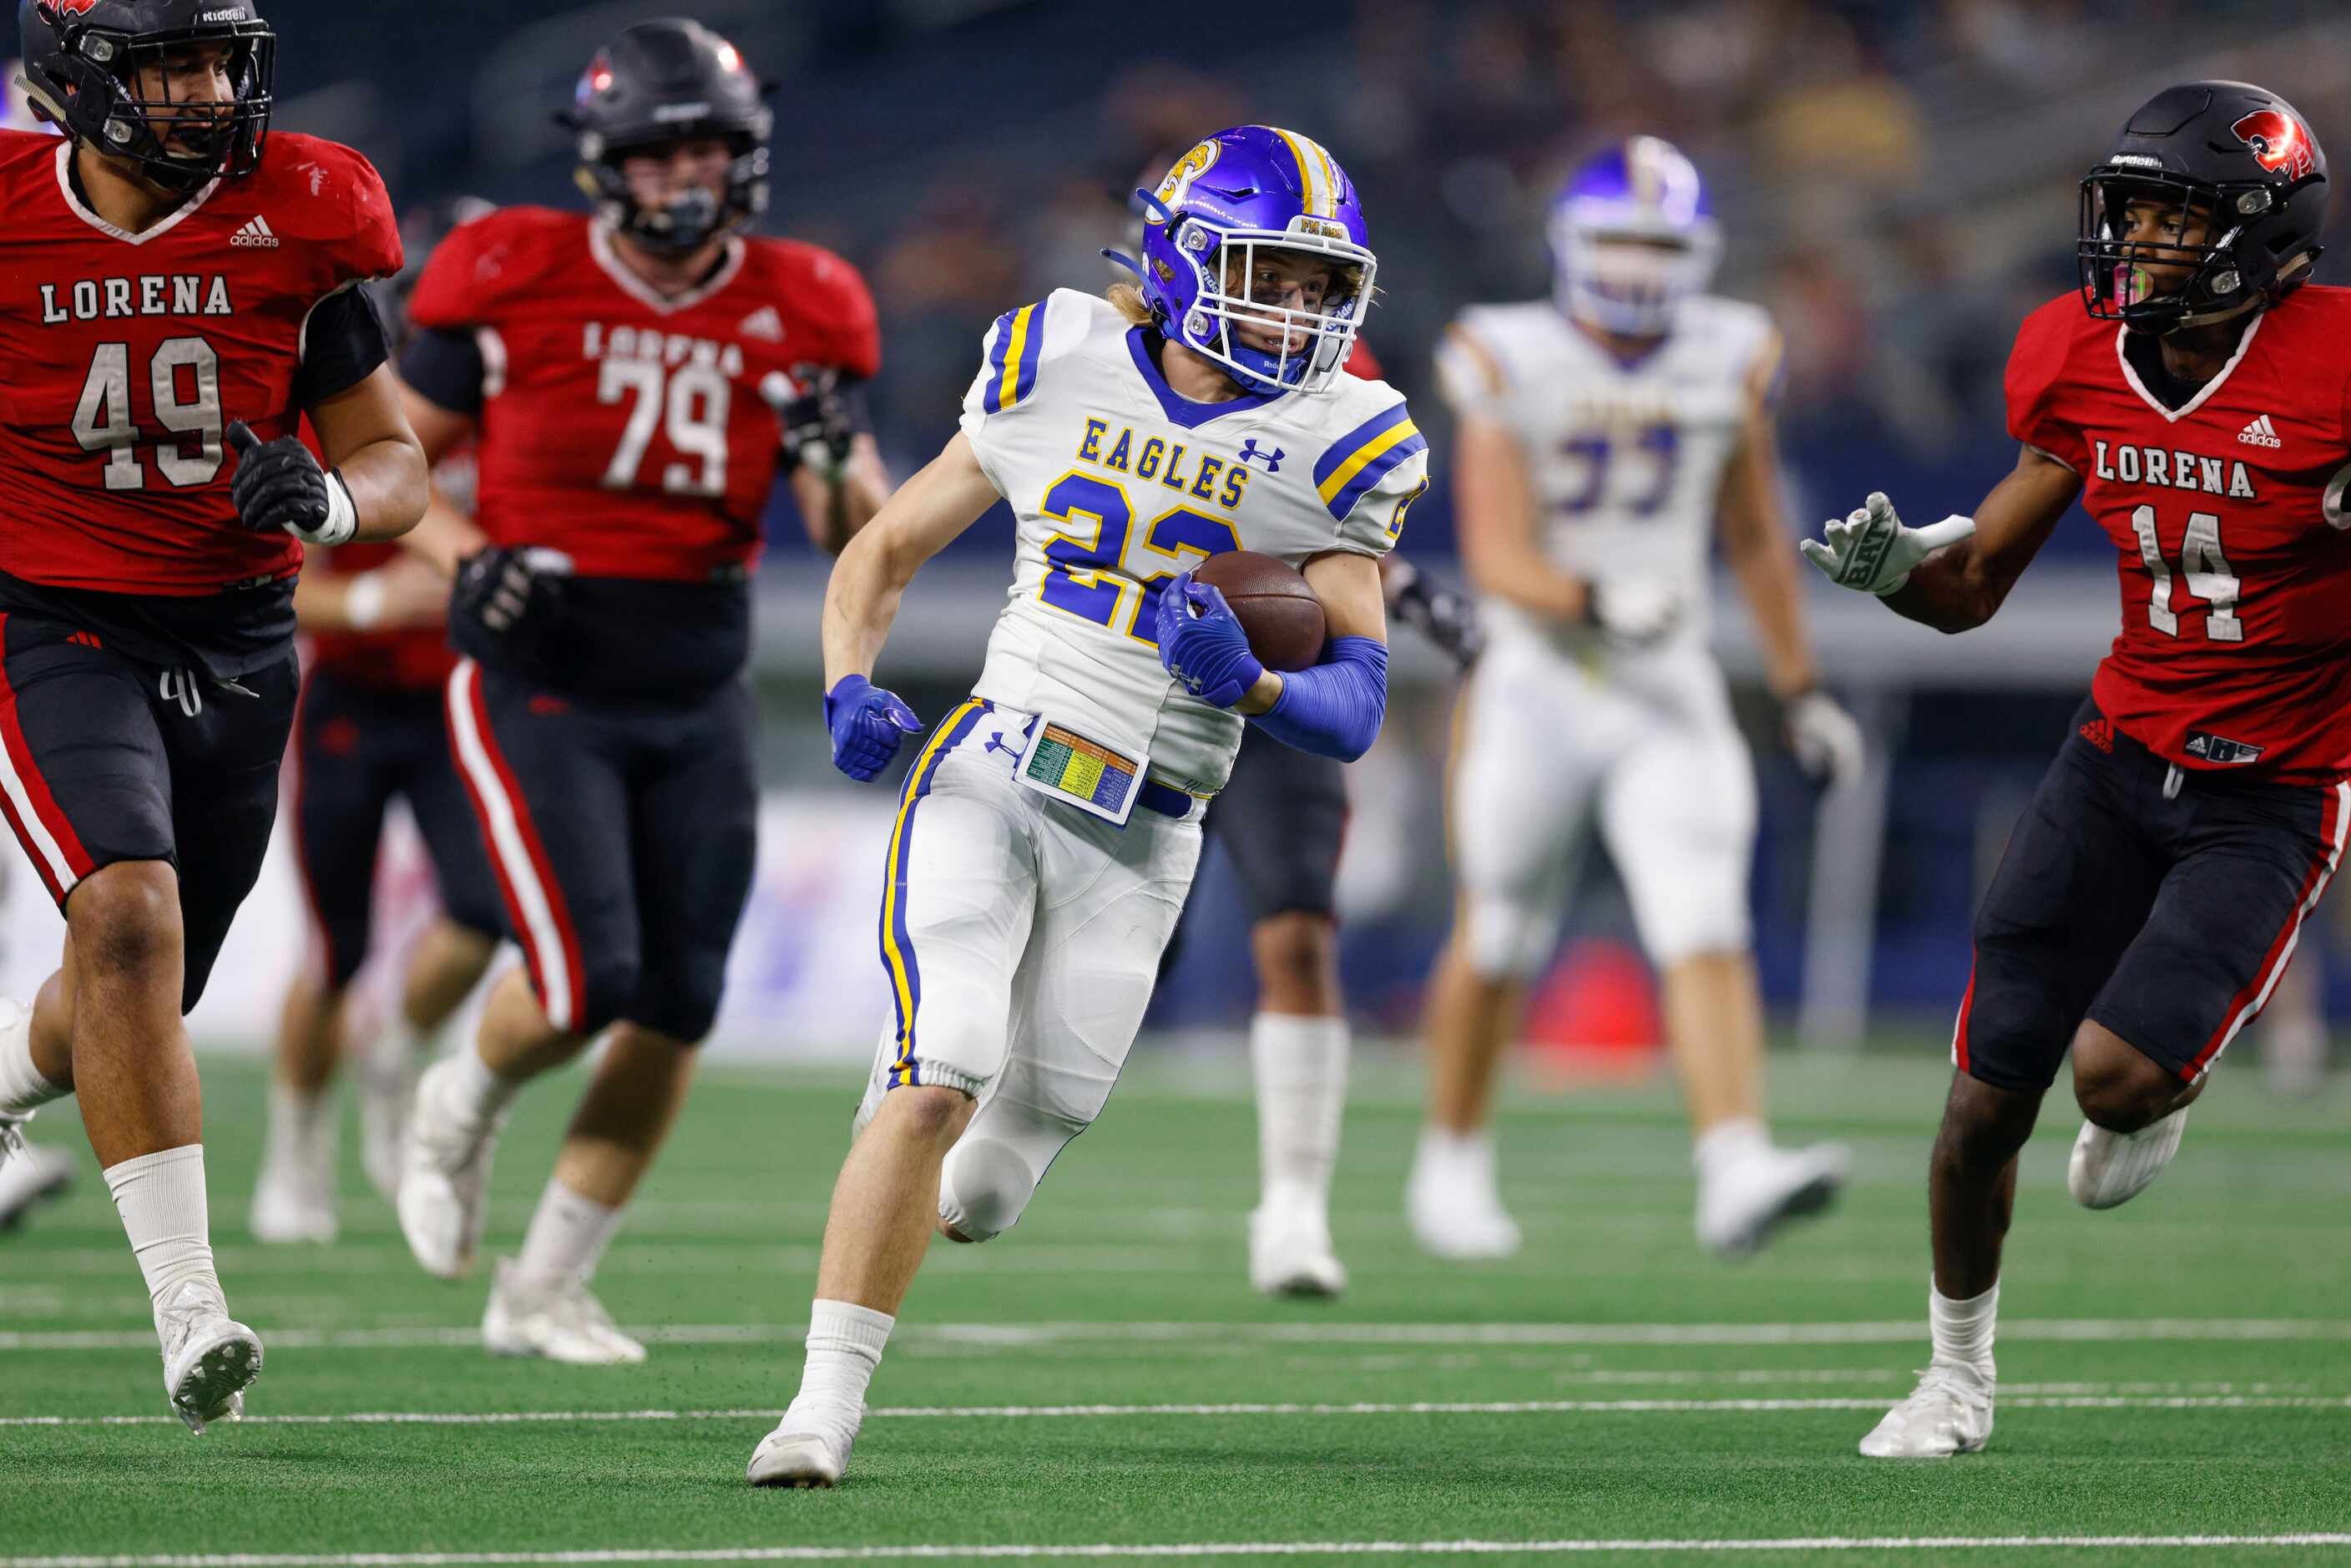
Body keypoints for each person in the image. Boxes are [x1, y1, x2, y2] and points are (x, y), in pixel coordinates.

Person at [746, 124, 1424, 1489]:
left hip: (1152, 830)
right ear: (1178, 256)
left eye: (1314, 285)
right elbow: (884, 548)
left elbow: (1355, 704)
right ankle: (818, 1406)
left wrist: (1250, 689)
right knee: (937, 1068)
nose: (1295, 309)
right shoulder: (1053, 354)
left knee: (988, 1188)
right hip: (995, 763)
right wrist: (845, 680)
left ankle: (904, 1184)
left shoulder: (1348, 435)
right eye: (1267, 274)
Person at [1802, 83, 2348, 1459]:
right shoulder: (2077, 353)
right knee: (1984, 1091)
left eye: (2176, 217)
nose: (2142, 243)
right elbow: (1974, 585)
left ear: (2262, 234)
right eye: (2136, 212)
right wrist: (1894, 577)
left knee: (2112, 1080)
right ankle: (1953, 1376)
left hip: (2271, 788)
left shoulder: (2335, 367)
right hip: (2115, 754)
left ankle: (2162, 1081)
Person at [390, 18, 888, 1365]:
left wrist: (832, 454)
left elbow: (863, 525)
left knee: (680, 997)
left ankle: (544, 1284)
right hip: (546, 665)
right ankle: (461, 1098)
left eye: (710, 147)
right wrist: (466, 553)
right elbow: (386, 462)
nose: (688, 174)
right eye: (662, 149)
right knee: (583, 974)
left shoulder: (808, 300)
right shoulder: (509, 269)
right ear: (605, 163)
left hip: (700, 669)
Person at [0, 0, 423, 1433]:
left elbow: (392, 456)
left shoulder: (304, 206)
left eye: (218, 57)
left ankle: (4, 1069)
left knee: (137, 1000)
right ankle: (191, 1311)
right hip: (48, 616)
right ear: (77, 79)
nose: (206, 90)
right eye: (168, 62)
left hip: (243, 633)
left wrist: (334, 499)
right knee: (127, 915)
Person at [1411, 137, 1861, 1263]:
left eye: (1659, 243)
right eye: (1618, 238)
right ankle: (1452, 1156)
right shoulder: (1506, 350)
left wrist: (1801, 689)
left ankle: (1734, 1163)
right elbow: (1497, 552)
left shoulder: (1731, 351)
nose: (1636, 264)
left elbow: (1754, 533)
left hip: (1667, 681)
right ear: (1568, 244)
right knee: (1502, 927)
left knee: (1705, 919)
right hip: (1537, 676)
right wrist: (1595, 595)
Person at [251, 206, 508, 1243]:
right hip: (350, 702)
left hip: (456, 703)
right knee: (335, 948)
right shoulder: (338, 406)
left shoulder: (514, 418)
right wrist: (365, 604)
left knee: (484, 913)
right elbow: (268, 578)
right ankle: (296, 1138)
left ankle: (397, 1051)